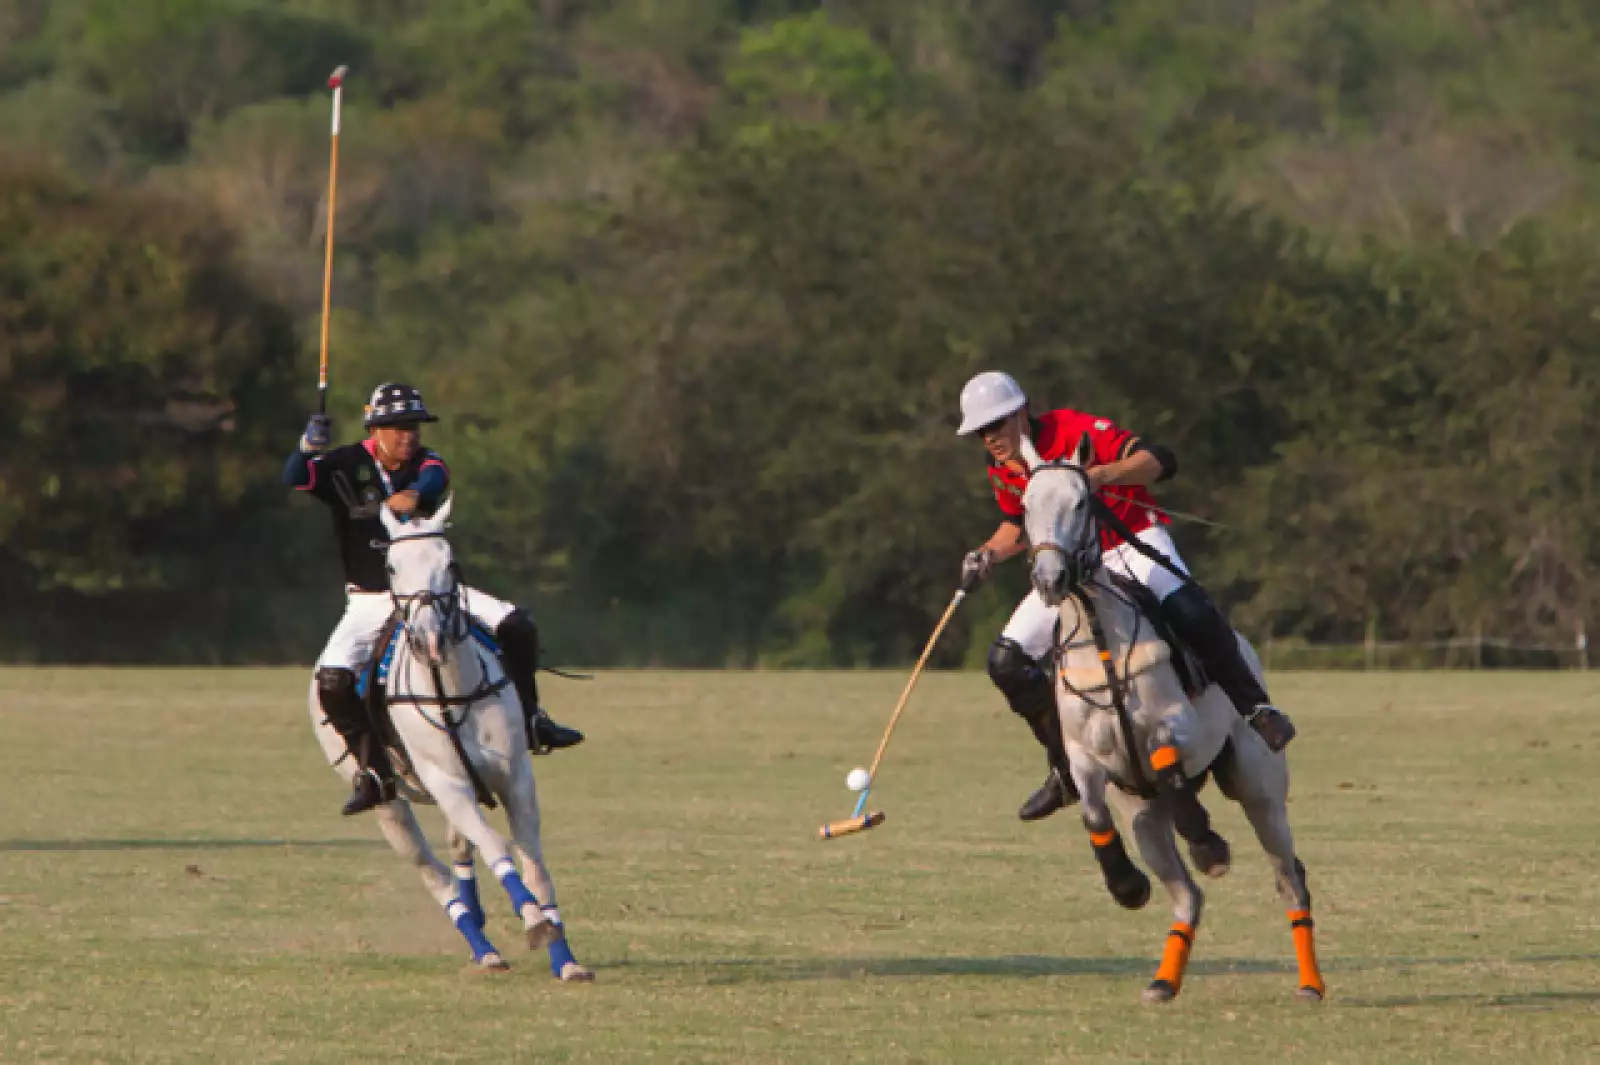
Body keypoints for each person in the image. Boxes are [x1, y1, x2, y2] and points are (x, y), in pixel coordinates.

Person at [955, 371, 1296, 823]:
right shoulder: (1002, 466)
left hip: (1132, 541)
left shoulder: (1074, 430)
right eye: (980, 431)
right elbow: (1015, 524)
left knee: (1190, 610)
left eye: (995, 424)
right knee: (1006, 661)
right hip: (1071, 565)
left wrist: (1101, 476)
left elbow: (1159, 459)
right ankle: (1065, 768)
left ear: (1021, 411)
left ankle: (1255, 709)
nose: (989, 438)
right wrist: (987, 554)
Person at [285, 382, 583, 816]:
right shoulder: (345, 465)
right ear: (377, 429)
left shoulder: (428, 463)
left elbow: (434, 478)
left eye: (414, 426)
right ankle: (372, 772)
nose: (409, 435)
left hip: (436, 595)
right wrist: (308, 446)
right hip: (370, 600)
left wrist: (416, 494)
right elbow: (296, 477)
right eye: (399, 427)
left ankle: (533, 719)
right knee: (332, 678)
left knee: (518, 624)